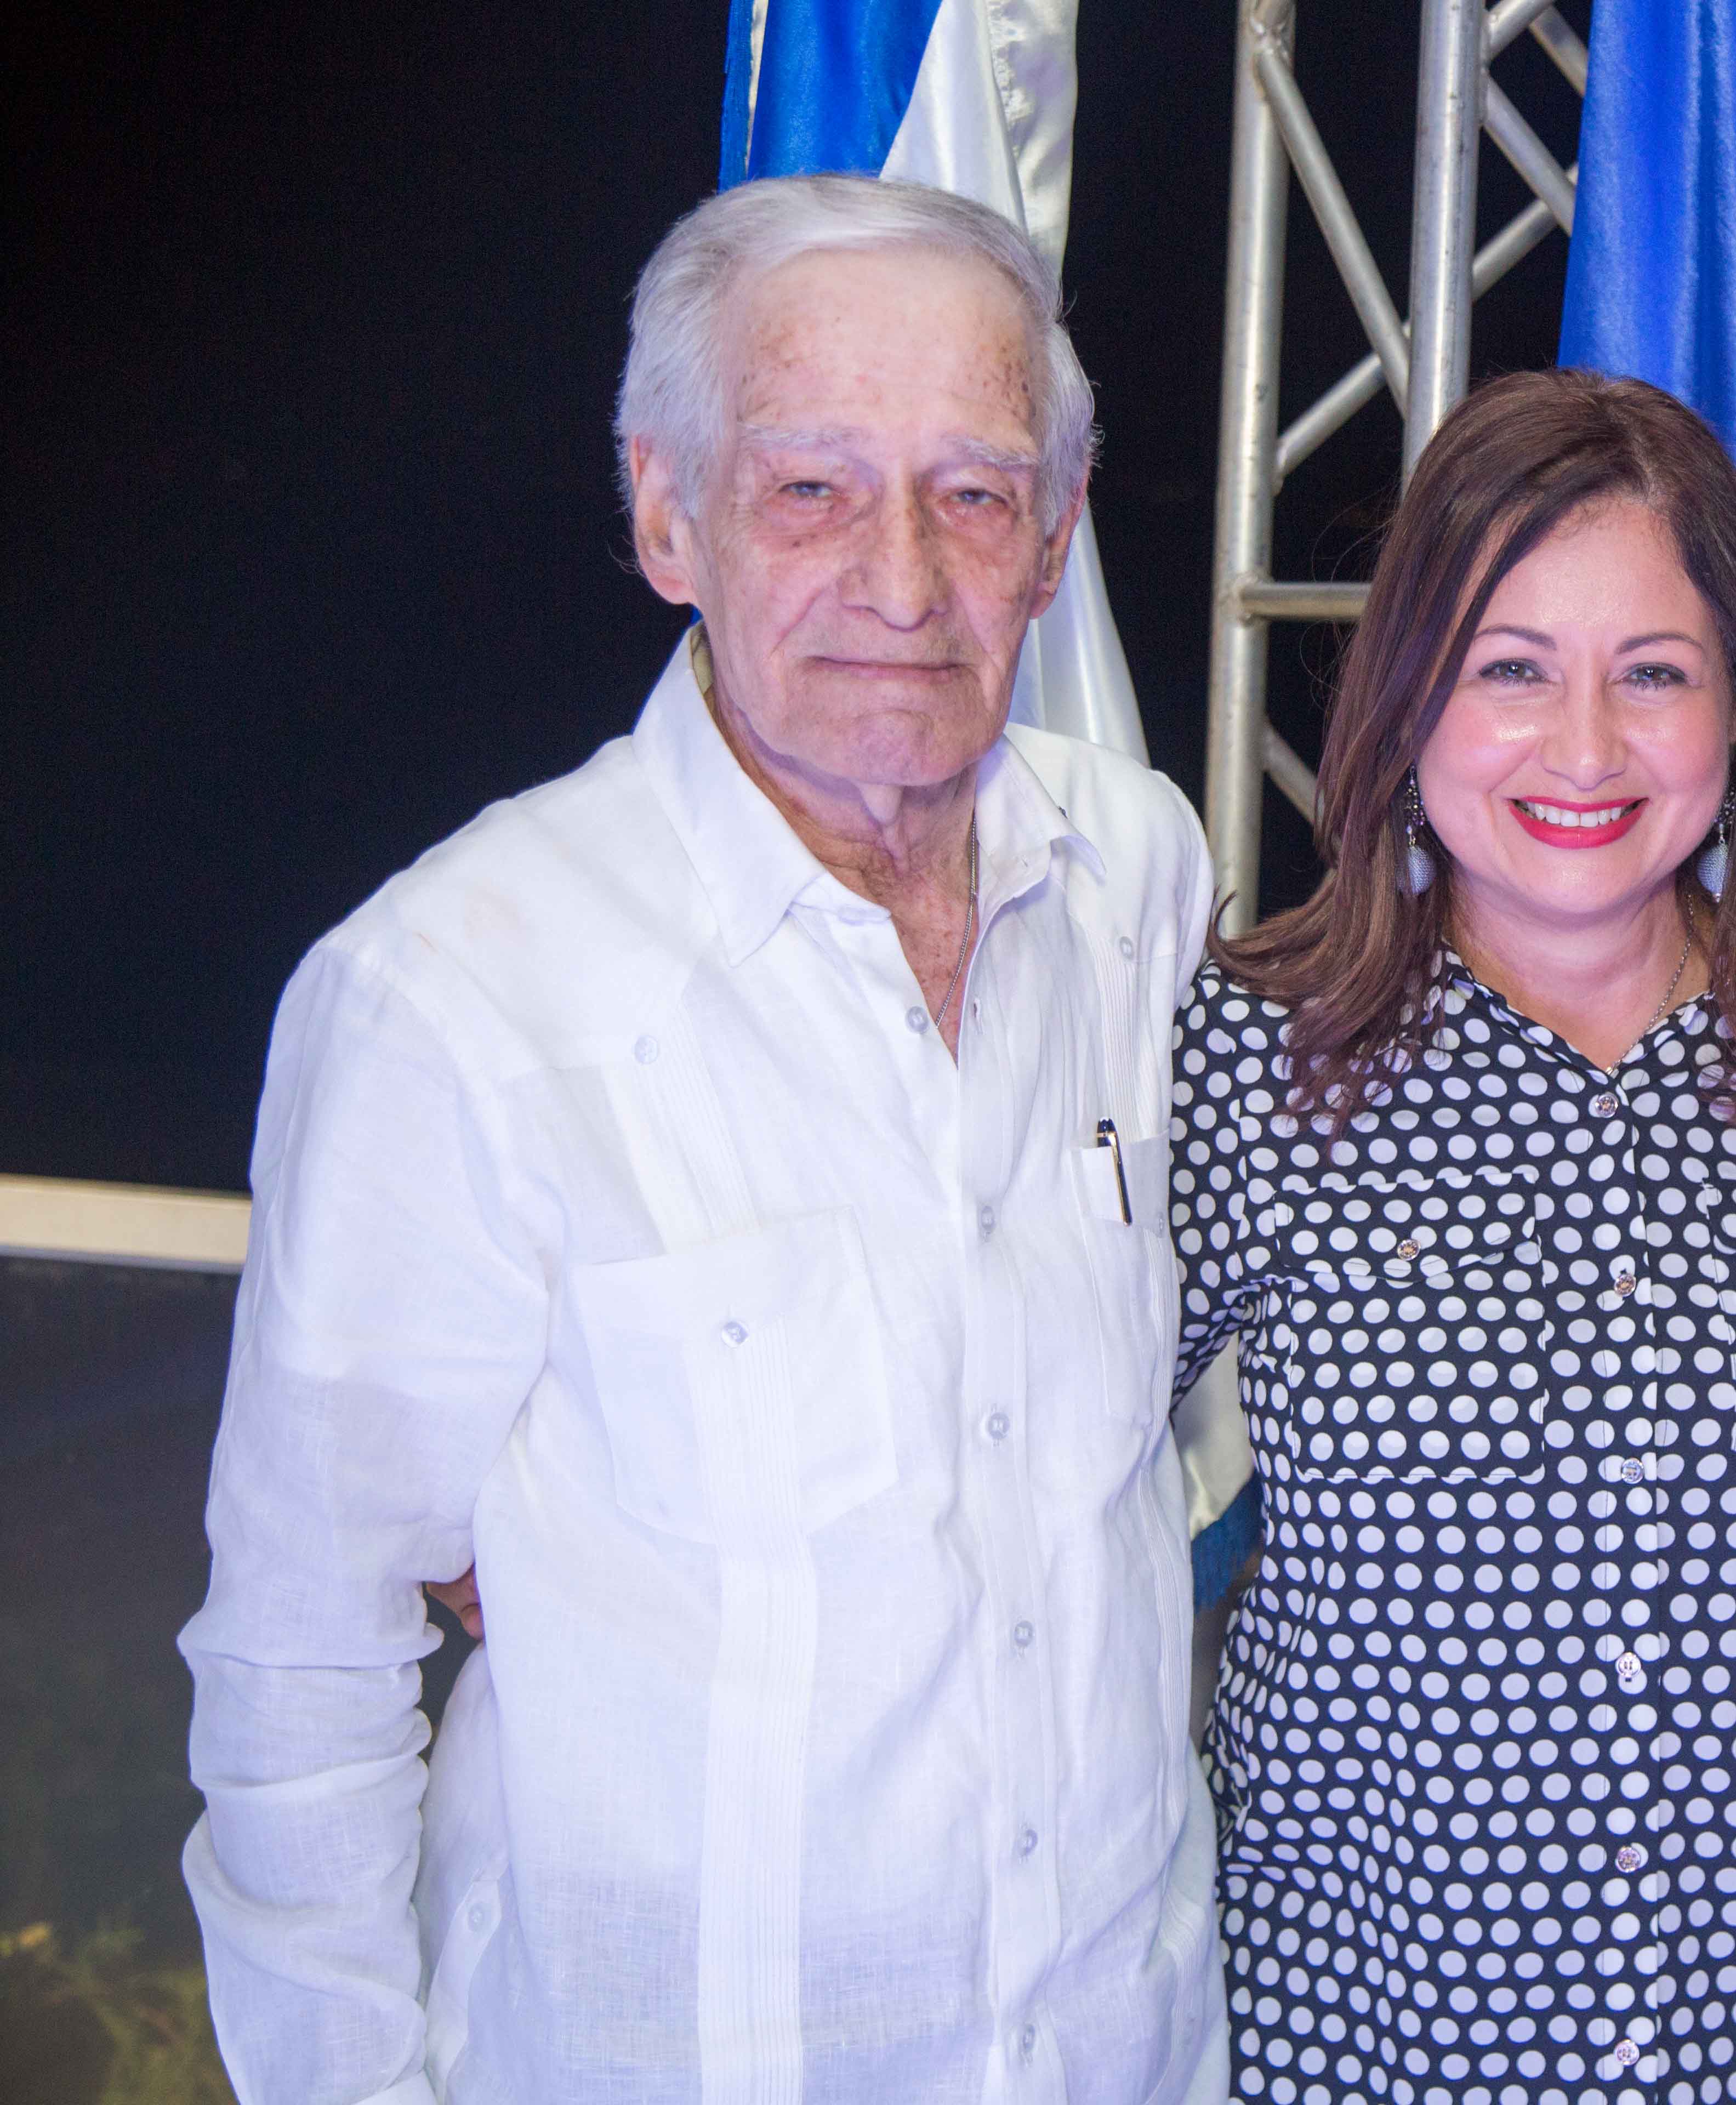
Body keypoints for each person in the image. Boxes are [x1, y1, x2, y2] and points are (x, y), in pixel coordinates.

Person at [179, 175, 1226, 2102]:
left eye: (974, 493)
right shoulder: (454, 997)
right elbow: (299, 1673)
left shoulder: (1136, 878)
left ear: (1058, 533)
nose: (903, 581)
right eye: (810, 489)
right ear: (667, 514)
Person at [1166, 368, 1736, 2103]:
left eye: (1656, 673)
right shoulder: (1251, 1053)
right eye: (1511, 669)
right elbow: (1033, 1472)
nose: (1586, 748)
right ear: (1408, 696)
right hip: (1370, 2045)